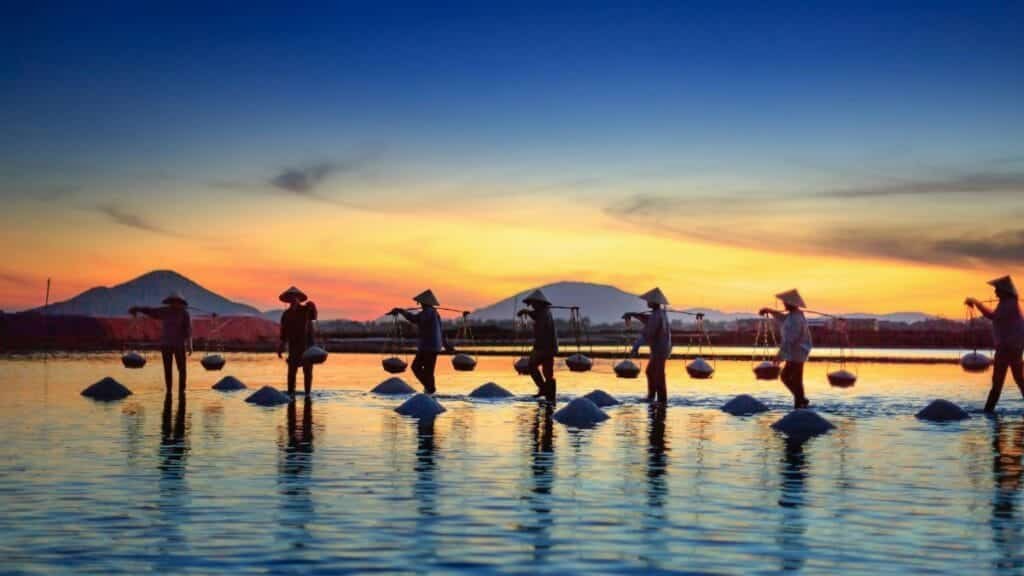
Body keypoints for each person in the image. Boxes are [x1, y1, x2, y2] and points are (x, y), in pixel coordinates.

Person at [966, 275, 1024, 413]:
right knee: (1019, 380)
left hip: (1007, 349)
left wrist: (976, 301)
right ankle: (989, 410)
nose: (995, 292)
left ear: (1004, 290)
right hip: (1014, 348)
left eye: (997, 289)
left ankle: (988, 411)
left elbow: (992, 316)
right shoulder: (1009, 303)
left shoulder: (1009, 303)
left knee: (998, 383)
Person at [390, 289, 453, 394]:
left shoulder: (428, 312)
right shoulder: (434, 313)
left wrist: (402, 311)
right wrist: (446, 346)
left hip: (428, 347)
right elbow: (441, 331)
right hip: (434, 346)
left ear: (425, 303)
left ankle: (430, 389)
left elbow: (415, 319)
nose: (421, 304)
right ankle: (429, 390)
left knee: (416, 367)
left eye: (422, 303)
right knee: (428, 371)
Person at [130, 292, 192, 394]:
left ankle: (182, 390)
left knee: (182, 369)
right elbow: (151, 311)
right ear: (170, 303)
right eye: (172, 302)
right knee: (167, 369)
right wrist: (138, 309)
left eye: (176, 302)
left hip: (179, 345)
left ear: (180, 303)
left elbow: (188, 330)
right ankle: (169, 390)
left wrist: (190, 345)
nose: (174, 304)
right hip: (166, 344)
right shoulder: (165, 311)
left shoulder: (184, 313)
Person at [760, 289, 812, 409]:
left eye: (785, 303)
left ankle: (801, 399)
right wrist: (770, 310)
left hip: (796, 352)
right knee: (797, 380)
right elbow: (782, 319)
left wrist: (780, 355)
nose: (784, 305)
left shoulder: (795, 319)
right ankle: (800, 404)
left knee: (785, 377)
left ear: (790, 303)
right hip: (799, 352)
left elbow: (790, 340)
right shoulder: (794, 316)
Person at [624, 287, 673, 403]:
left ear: (653, 302)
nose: (647, 302)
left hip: (659, 350)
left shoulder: (657, 315)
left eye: (649, 300)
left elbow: (648, 333)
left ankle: (661, 400)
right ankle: (652, 397)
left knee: (658, 374)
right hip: (661, 349)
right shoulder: (660, 313)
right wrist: (634, 315)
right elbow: (648, 320)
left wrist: (636, 346)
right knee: (651, 372)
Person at [517, 289, 559, 401]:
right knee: (548, 372)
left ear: (539, 303)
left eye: (534, 304)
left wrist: (527, 312)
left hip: (544, 347)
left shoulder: (544, 313)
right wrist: (526, 312)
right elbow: (536, 315)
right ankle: (549, 396)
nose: (532, 306)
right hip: (549, 347)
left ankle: (544, 389)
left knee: (532, 365)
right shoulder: (544, 312)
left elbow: (539, 326)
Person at [277, 286, 318, 396]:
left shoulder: (306, 310)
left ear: (299, 299)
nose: (294, 299)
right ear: (288, 300)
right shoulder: (286, 314)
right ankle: (291, 393)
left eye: (296, 297)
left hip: (307, 346)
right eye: (291, 297)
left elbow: (314, 316)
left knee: (307, 372)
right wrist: (281, 346)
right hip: (293, 346)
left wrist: (312, 306)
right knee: (291, 373)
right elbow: (284, 333)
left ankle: (307, 394)